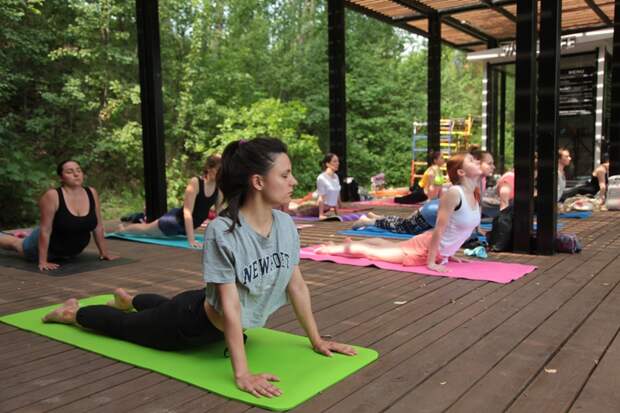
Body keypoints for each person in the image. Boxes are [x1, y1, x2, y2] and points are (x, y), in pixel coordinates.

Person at [42, 138, 356, 398]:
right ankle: (70, 314)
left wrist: (317, 340)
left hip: (202, 306)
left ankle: (131, 300)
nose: (294, 182)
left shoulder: (286, 225)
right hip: (190, 325)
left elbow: (296, 285)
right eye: (286, 175)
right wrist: (242, 373)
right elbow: (231, 306)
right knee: (124, 328)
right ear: (258, 181)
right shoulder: (225, 231)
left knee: (170, 306)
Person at [318, 152, 482, 273]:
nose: (477, 161)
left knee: (387, 245)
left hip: (437, 251)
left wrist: (449, 254)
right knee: (372, 253)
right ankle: (331, 249)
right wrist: (431, 262)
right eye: (472, 160)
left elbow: (457, 230)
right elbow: (439, 230)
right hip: (423, 249)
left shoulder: (474, 192)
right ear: (461, 172)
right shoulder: (454, 193)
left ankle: (348, 244)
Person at [0, 160, 117, 271]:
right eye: (69, 172)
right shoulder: (53, 195)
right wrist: (43, 261)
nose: (76, 174)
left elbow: (98, 226)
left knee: (22, 238)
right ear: (61, 178)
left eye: (78, 170)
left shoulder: (91, 192)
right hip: (43, 248)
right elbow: (45, 230)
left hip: (71, 253)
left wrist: (104, 252)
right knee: (16, 244)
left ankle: (22, 235)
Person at [118, 155, 223, 248]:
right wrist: (191, 240)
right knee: (146, 230)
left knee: (147, 229)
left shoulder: (219, 187)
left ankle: (126, 227)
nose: (220, 173)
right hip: (173, 222)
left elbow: (220, 214)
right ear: (209, 168)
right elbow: (187, 212)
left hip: (186, 228)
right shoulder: (196, 182)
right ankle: (123, 229)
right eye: (218, 170)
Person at [316, 153, 342, 219]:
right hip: (319, 209)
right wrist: (321, 214)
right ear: (327, 164)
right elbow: (321, 197)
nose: (338, 163)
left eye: (338, 161)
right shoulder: (321, 178)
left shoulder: (336, 176)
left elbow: (335, 195)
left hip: (330, 210)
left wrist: (337, 213)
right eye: (335, 161)